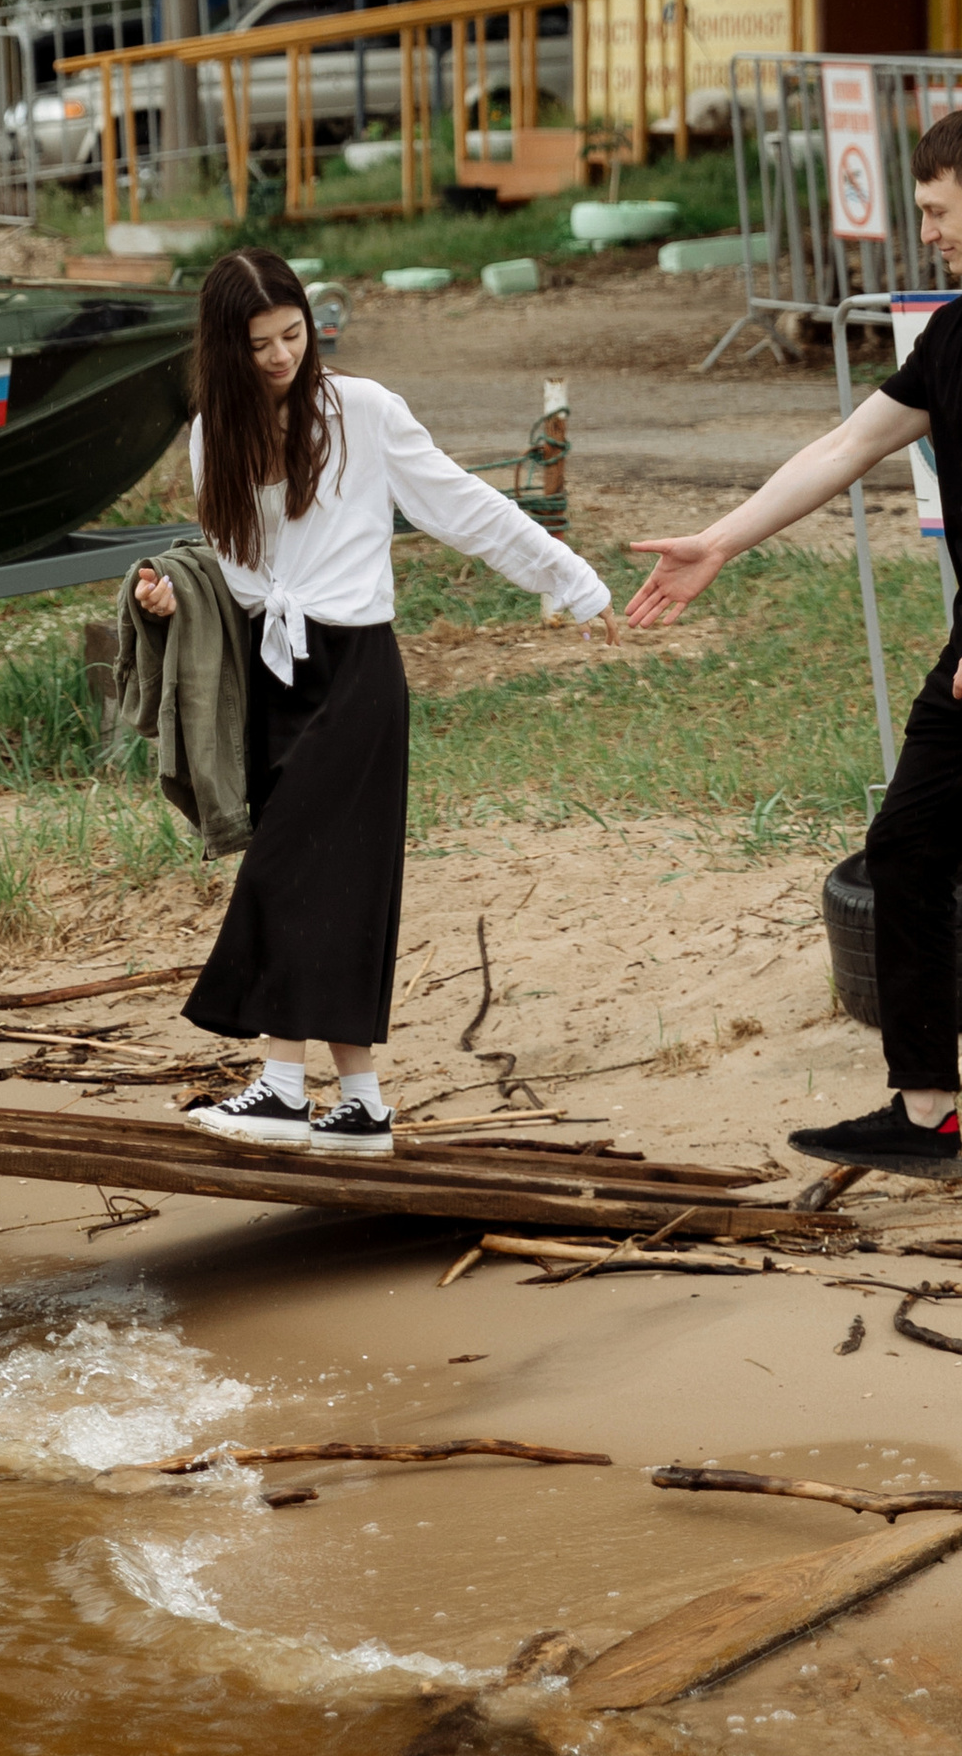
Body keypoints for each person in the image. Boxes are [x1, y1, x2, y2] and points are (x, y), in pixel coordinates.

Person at [625, 105, 962, 1226]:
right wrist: (720, 541)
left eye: (936, 209)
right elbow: (846, 445)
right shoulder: (960, 332)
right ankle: (925, 1116)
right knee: (906, 850)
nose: (925, 231)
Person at [136, 245, 614, 1156]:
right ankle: (362, 1105)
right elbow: (235, 569)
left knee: (287, 872)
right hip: (273, 674)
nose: (281, 355)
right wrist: (174, 594)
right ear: (224, 349)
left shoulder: (362, 410)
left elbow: (463, 507)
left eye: (292, 334)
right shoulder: (213, 435)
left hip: (355, 671)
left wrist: (572, 582)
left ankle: (280, 1090)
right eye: (258, 344)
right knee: (339, 885)